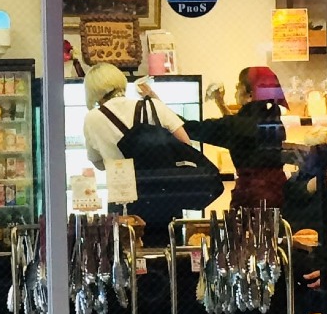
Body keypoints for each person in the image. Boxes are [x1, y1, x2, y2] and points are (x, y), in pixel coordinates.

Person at [187, 66, 289, 207]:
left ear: (250, 95)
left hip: (252, 197)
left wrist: (162, 112)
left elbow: (192, 129)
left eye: (238, 85)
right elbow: (240, 129)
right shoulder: (274, 122)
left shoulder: (237, 126)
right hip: (280, 192)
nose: (235, 90)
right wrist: (221, 104)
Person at [82, 63, 189, 169]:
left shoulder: (91, 118)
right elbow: (186, 144)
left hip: (120, 179)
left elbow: (99, 164)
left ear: (91, 91)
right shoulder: (153, 106)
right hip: (161, 177)